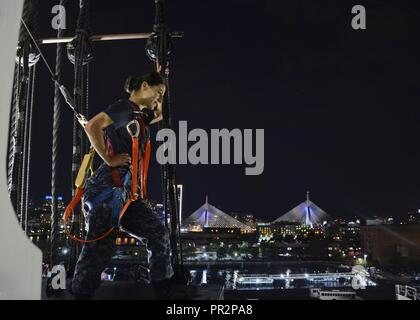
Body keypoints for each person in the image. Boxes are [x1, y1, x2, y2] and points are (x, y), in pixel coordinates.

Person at [70, 72, 191, 299]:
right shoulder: (124, 107)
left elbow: (160, 114)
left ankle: (162, 286)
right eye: (157, 92)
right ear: (144, 86)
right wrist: (109, 158)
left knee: (157, 234)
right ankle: (80, 293)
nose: (158, 98)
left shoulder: (138, 116)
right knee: (100, 245)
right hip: (107, 189)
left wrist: (161, 82)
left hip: (125, 193)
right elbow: (93, 126)